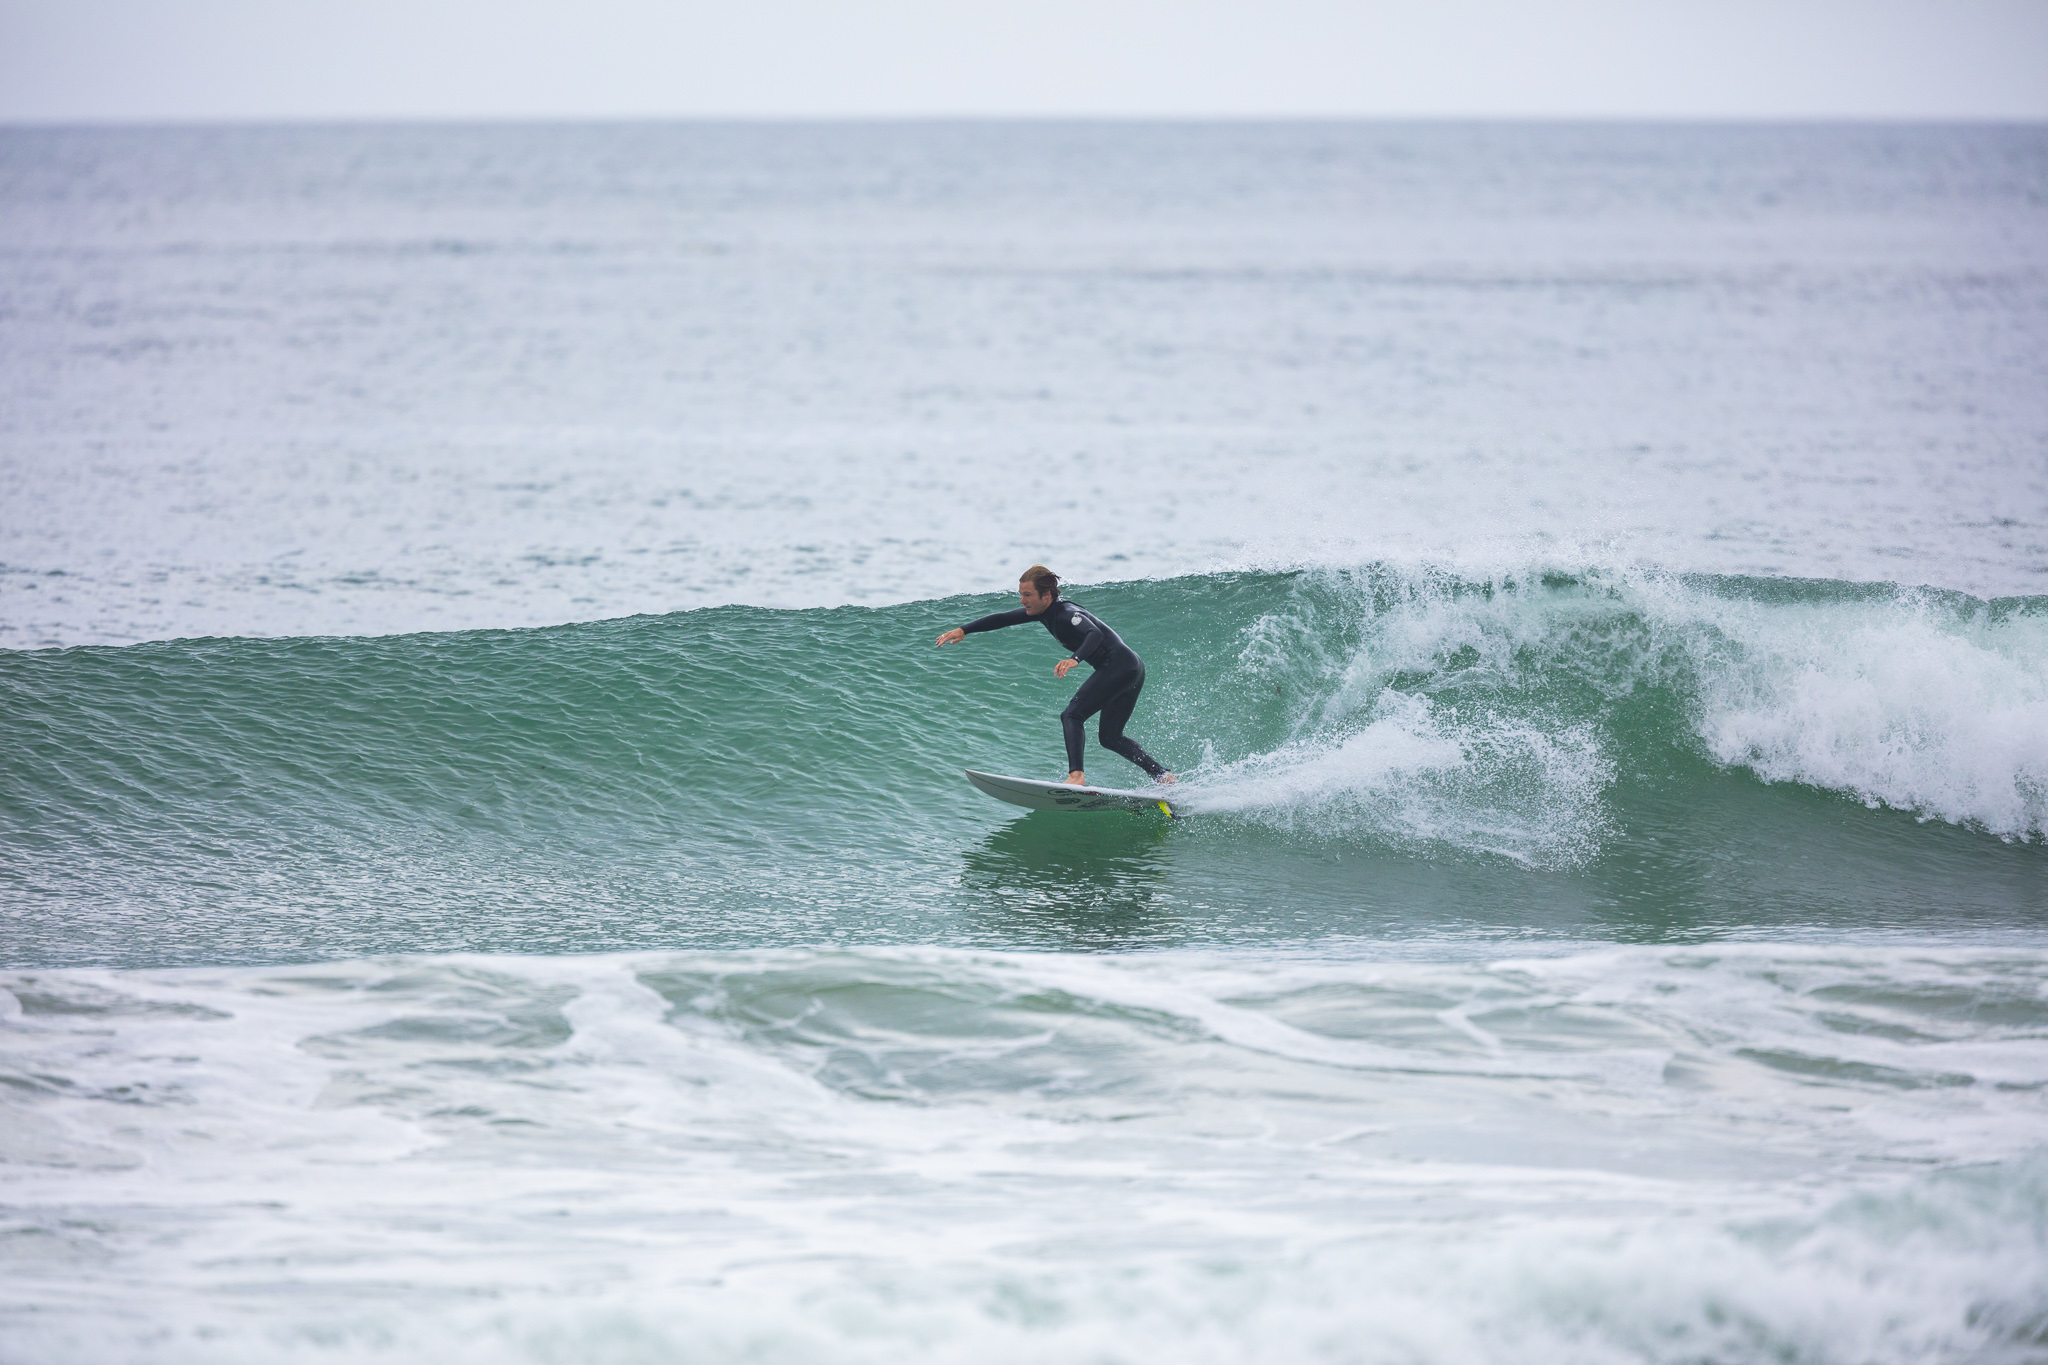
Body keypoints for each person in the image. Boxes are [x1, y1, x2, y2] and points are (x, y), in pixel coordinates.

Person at [935, 565, 1174, 788]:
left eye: (1027, 595)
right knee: (1110, 737)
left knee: (1072, 715)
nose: (1022, 600)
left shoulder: (1066, 614)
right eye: (1021, 594)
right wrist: (964, 629)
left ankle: (1076, 776)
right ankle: (1162, 775)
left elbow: (1094, 634)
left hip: (1119, 666)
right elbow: (1003, 618)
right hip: (1131, 667)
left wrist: (1075, 659)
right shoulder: (1044, 612)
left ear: (1046, 595)